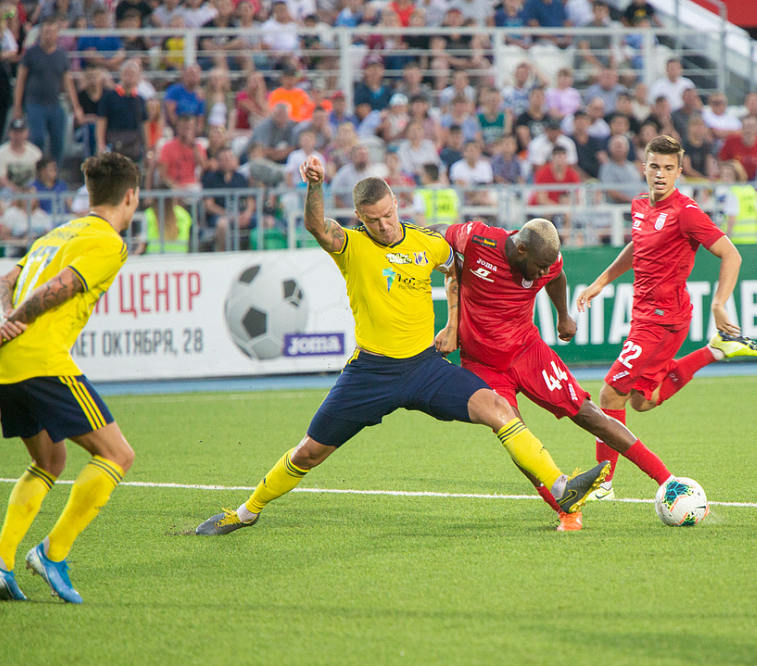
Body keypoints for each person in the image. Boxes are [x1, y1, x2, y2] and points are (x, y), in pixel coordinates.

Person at [194, 162, 609, 537]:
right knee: (309, 452)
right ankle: (247, 511)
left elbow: (454, 270)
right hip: (370, 374)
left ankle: (561, 489)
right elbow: (318, 226)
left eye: (389, 215)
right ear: (360, 218)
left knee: (497, 410)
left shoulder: (426, 243)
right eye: (374, 220)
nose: (385, 226)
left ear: (396, 203)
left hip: (425, 368)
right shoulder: (352, 247)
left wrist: (452, 324)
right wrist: (314, 186)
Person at [434, 218, 678, 531]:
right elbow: (440, 235)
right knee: (514, 435)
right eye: (539, 266)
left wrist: (563, 315)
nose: (543, 272)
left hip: (527, 351)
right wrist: (452, 322)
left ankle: (667, 480)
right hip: (483, 362)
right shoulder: (479, 239)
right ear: (521, 249)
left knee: (588, 413)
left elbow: (556, 276)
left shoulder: (547, 263)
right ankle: (566, 509)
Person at [576, 135, 757, 498]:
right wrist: (602, 280)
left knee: (609, 395)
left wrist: (719, 303)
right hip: (645, 315)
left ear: (679, 171)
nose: (660, 174)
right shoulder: (640, 205)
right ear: (644, 168)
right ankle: (716, 350)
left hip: (663, 320)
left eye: (668, 168)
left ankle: (603, 483)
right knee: (641, 401)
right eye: (654, 167)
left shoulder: (686, 212)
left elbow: (731, 254)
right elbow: (637, 245)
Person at [0, 153, 141, 604]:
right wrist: (13, 321)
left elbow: (7, 278)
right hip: (44, 361)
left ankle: (0, 563)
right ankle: (51, 552)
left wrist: (5, 318)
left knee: (48, 462)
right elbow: (55, 289)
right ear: (131, 196)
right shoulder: (108, 242)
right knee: (117, 454)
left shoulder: (56, 233)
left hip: (11, 364)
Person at [13, 18, 81, 161]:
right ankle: (37, 172)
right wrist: (17, 106)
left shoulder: (61, 55)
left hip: (55, 103)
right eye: (45, 31)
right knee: (37, 138)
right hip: (34, 104)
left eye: (51, 32)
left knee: (58, 142)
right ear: (40, 33)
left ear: (57, 34)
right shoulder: (31, 53)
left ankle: (54, 175)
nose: (48, 35)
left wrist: (76, 107)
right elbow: (20, 81)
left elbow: (68, 83)